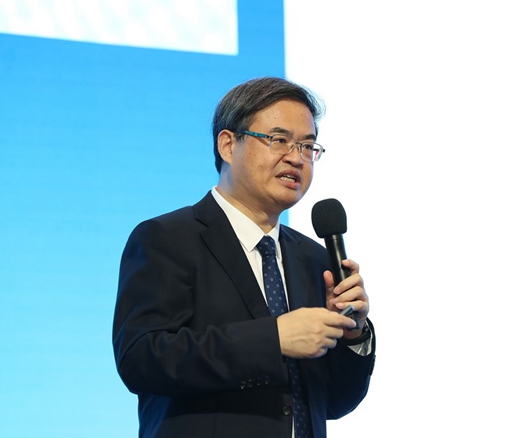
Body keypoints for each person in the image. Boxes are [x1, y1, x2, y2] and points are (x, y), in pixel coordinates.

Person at [112, 76, 375, 438]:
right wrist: (273, 339)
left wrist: (352, 334)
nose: (296, 158)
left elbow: (332, 402)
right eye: (279, 140)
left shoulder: (314, 260)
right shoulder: (168, 238)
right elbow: (142, 359)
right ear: (227, 144)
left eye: (307, 146)